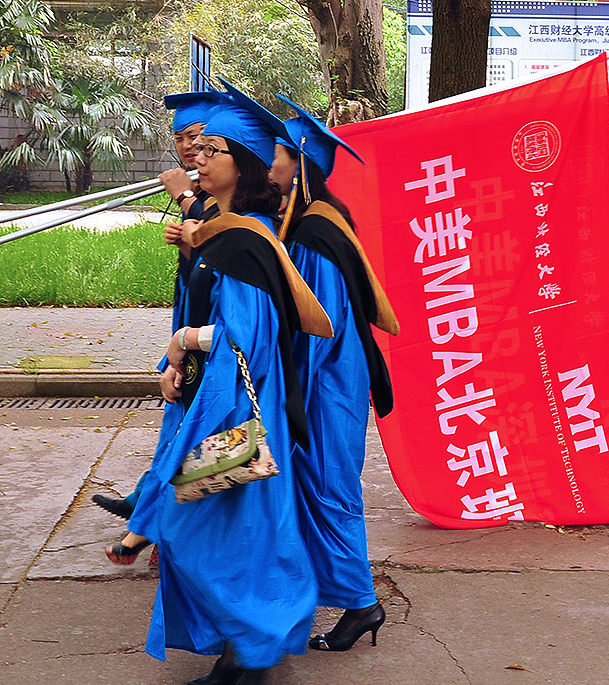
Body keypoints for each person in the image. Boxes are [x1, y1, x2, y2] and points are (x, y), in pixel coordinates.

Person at [109, 81, 335, 684]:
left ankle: (260, 636)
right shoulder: (227, 228)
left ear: (244, 164)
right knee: (241, 528)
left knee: (197, 526)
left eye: (212, 150)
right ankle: (247, 652)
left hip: (236, 408)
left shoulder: (245, 238)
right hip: (224, 400)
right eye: (198, 148)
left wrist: (183, 343)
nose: (198, 158)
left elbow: (247, 337)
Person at [268, 95, 399, 653]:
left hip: (329, 386)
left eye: (275, 156)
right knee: (319, 489)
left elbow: (320, 327)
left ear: (300, 166)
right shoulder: (314, 219)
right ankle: (335, 595)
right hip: (330, 382)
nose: (268, 166)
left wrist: (286, 387)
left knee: (330, 490)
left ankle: (361, 602)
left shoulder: (316, 233)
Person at [92, 89, 226, 524]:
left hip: (219, 338)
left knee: (207, 437)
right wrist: (188, 243)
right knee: (182, 420)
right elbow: (204, 257)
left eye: (201, 140)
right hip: (195, 318)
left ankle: (155, 517)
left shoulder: (232, 201)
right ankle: (150, 507)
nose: (191, 149)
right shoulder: (203, 190)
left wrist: (188, 200)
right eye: (181, 138)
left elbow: (230, 236)